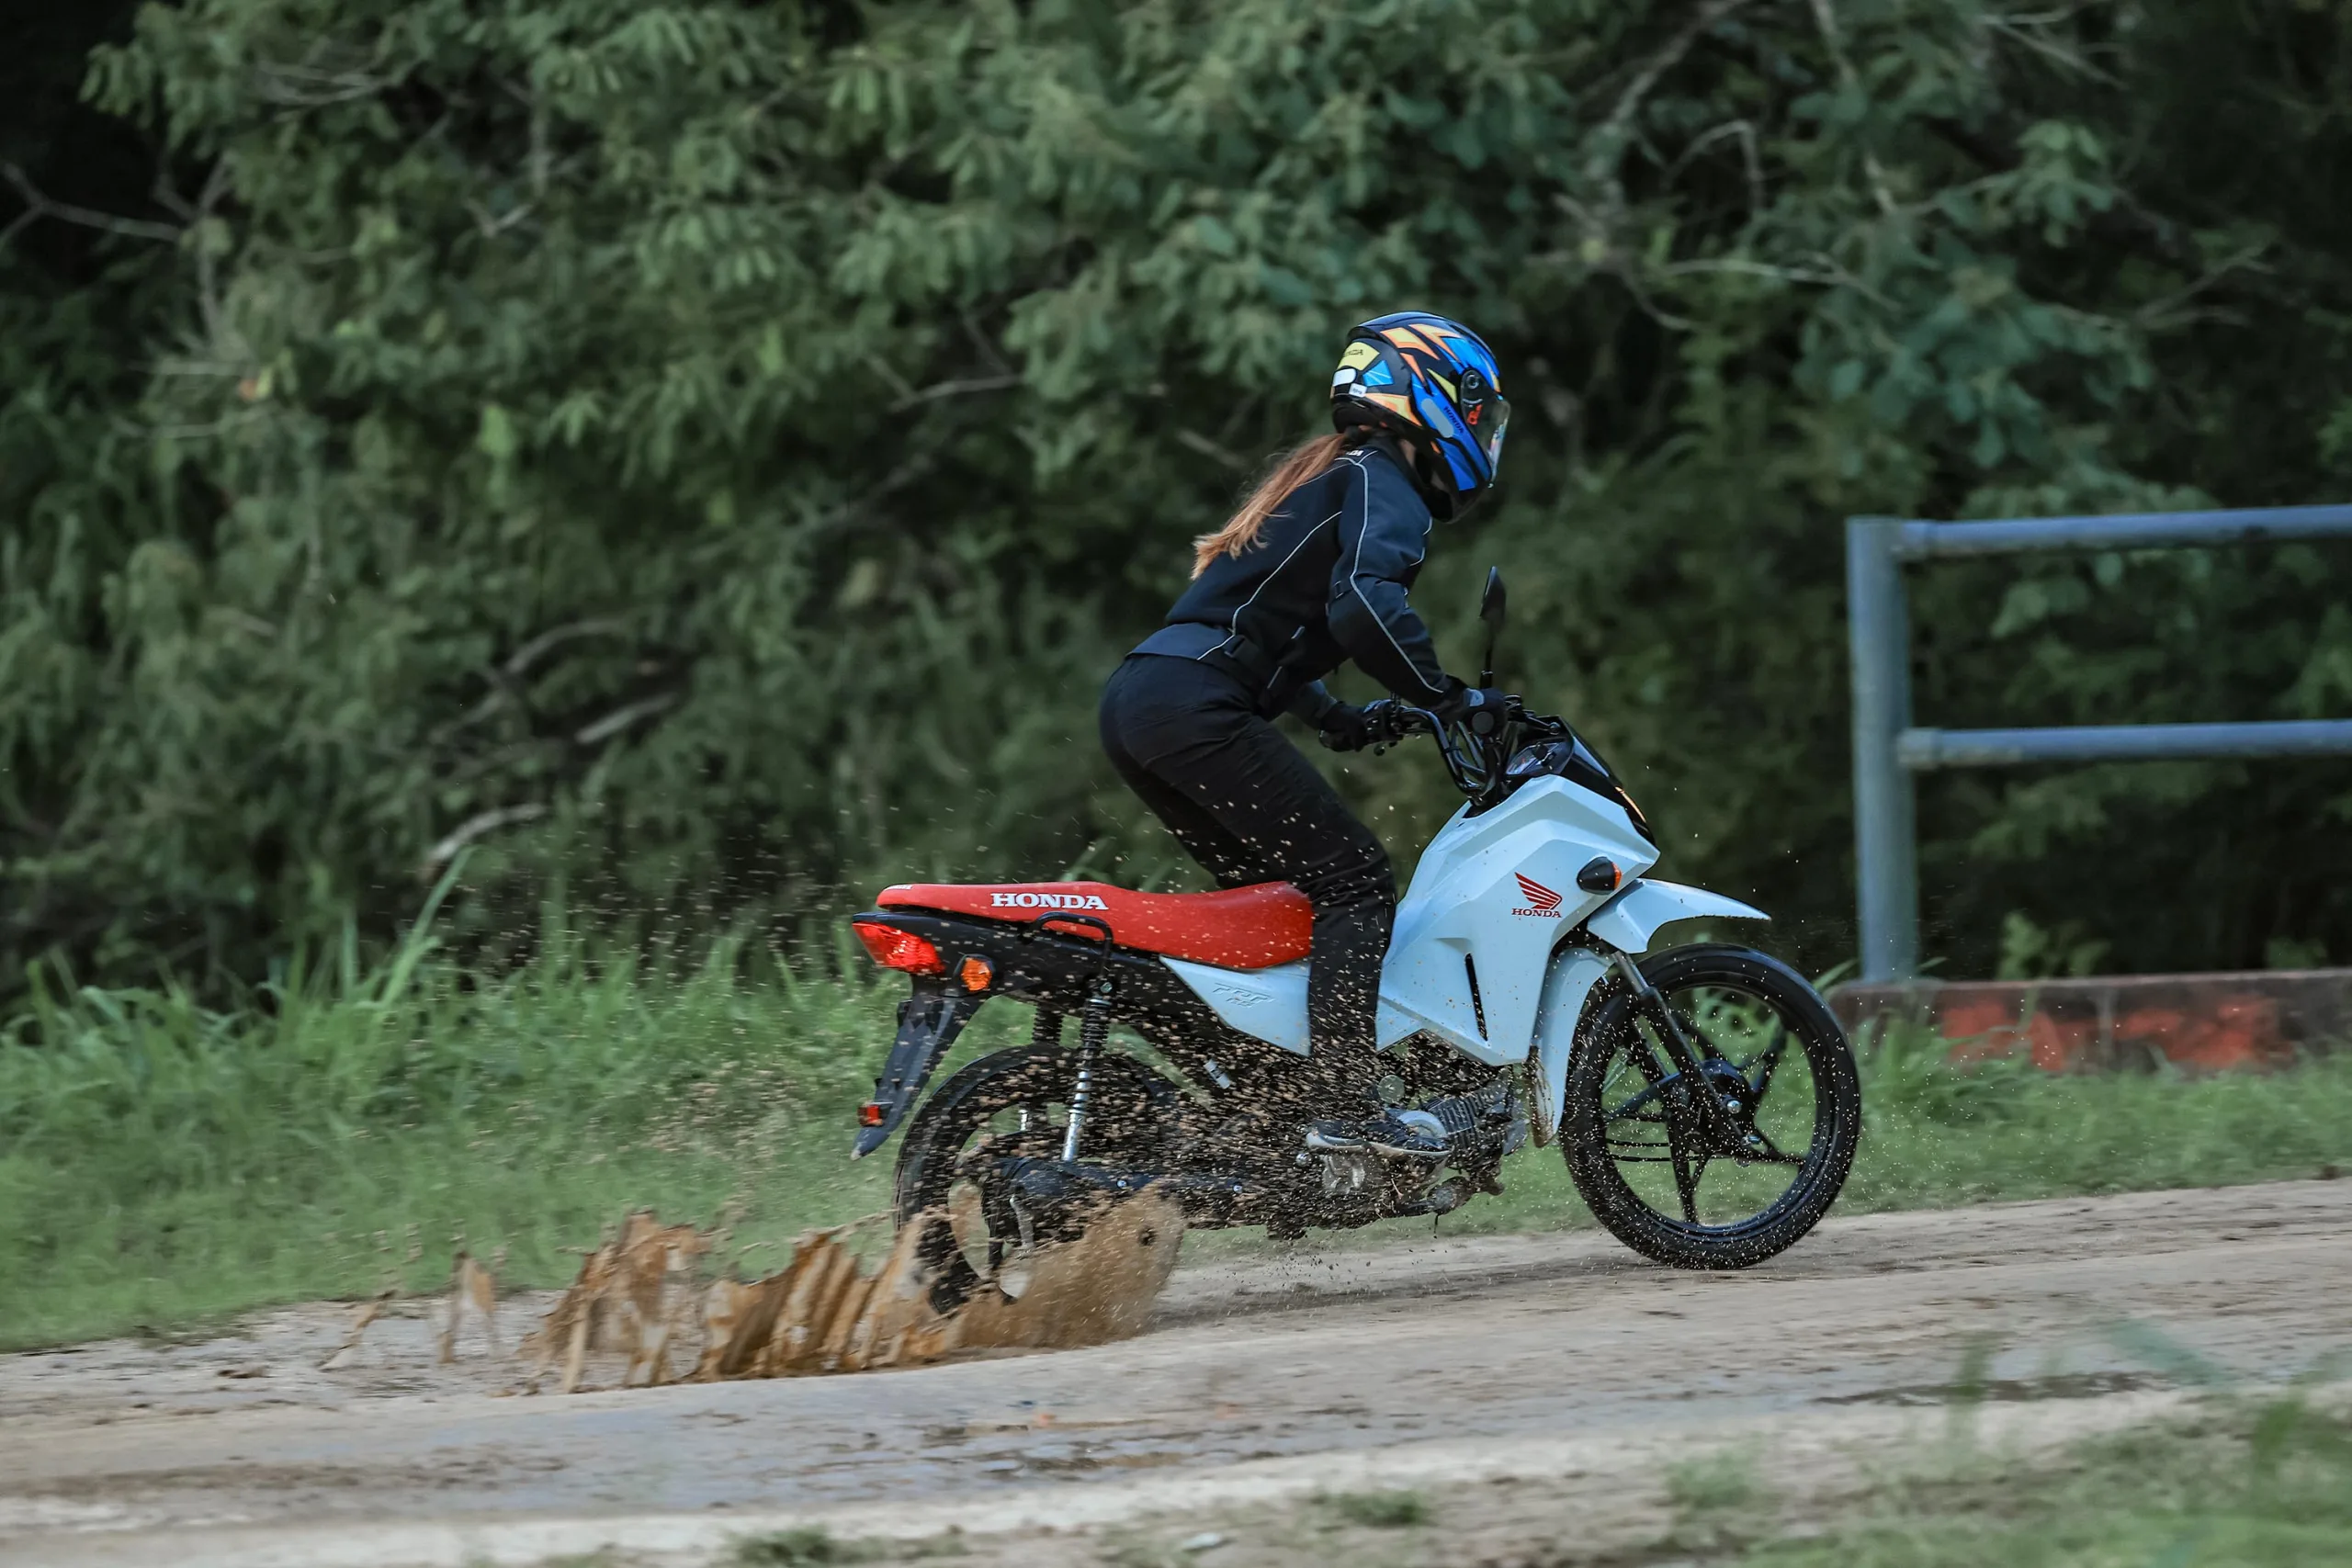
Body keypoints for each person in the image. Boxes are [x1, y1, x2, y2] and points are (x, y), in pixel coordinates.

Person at [1097, 310, 1511, 1160]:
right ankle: (1346, 1109)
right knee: (1356, 880)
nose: (1481, 431)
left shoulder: (1328, 475)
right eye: (1477, 411)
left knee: (1277, 905)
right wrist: (1445, 696)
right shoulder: (1379, 481)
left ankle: (1262, 1107)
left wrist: (1344, 719)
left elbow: (1265, 634)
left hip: (1149, 698)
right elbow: (1363, 605)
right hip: (1195, 704)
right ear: (1427, 393)